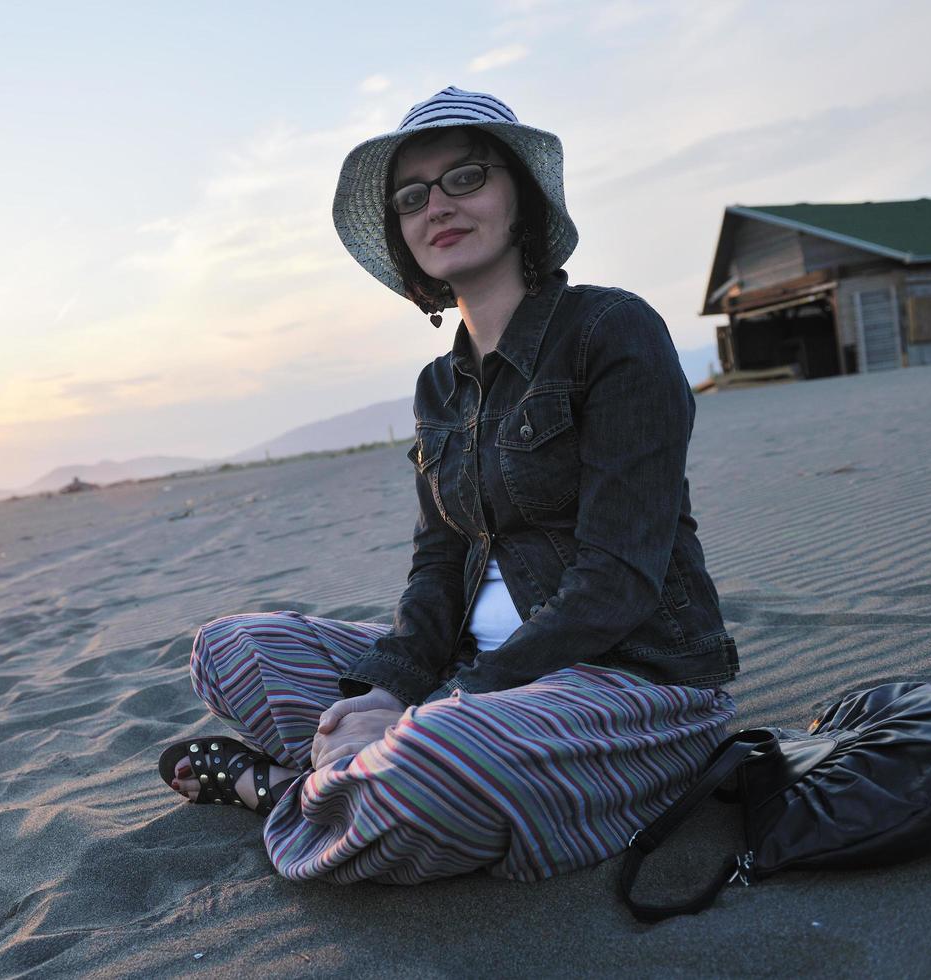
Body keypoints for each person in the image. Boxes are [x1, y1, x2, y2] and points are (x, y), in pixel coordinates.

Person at [156, 86, 739, 885]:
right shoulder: (439, 389)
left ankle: (281, 789)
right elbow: (436, 568)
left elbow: (618, 580)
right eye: (410, 195)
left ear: (519, 199)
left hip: (626, 678)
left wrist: (430, 708)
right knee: (231, 649)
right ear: (399, 233)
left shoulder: (609, 331)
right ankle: (368, 780)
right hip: (468, 677)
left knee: (433, 757)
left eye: (466, 177)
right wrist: (394, 686)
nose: (437, 205)